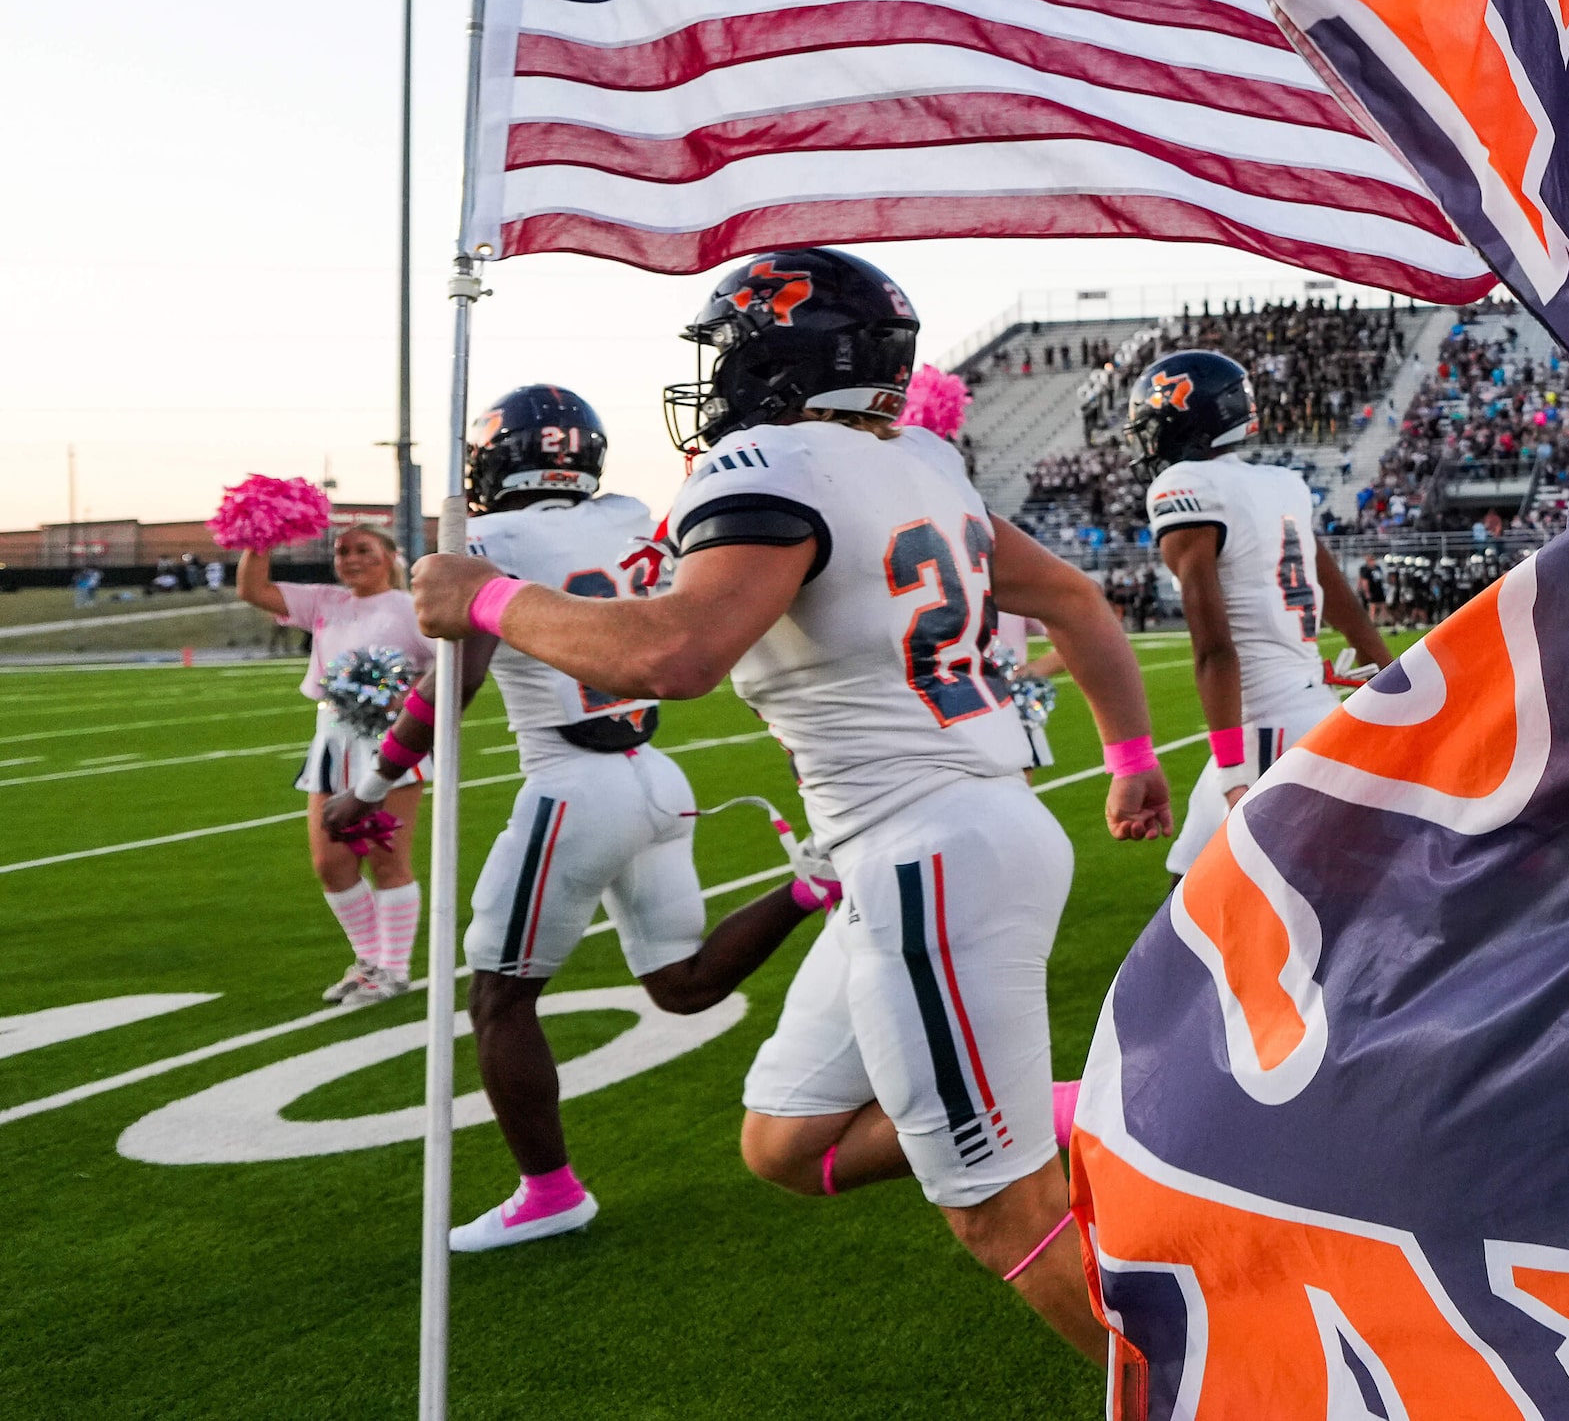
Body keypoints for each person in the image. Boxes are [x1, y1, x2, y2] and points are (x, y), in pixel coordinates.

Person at [413, 248, 1170, 1360]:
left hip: (925, 849)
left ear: (777, 355)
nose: (716, 376)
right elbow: (1070, 599)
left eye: (730, 349)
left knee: (998, 1205)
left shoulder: (763, 463)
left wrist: (482, 595)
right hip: (938, 836)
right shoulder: (922, 460)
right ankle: (1079, 1111)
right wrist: (1130, 752)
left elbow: (676, 653)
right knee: (788, 1141)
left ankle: (1204, 1388)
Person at [329, 384, 835, 1253]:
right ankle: (809, 890)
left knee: (498, 996)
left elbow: (457, 681)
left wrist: (370, 786)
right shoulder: (627, 517)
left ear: (495, 459)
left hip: (572, 781)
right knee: (680, 985)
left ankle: (549, 1192)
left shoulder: (486, 540)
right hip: (656, 774)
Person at [1125, 350, 1394, 886]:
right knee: (1201, 901)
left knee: (1207, 910)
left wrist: (1230, 769)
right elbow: (1329, 584)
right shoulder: (1282, 483)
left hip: (1263, 729)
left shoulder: (1184, 486)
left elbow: (1214, 647)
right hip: (1310, 707)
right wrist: (1382, 659)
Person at [236, 523, 431, 1004]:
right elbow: (253, 589)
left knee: (388, 859)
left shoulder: (409, 609)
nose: (351, 559)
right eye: (342, 551)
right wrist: (259, 536)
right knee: (331, 863)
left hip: (391, 744)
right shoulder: (325, 601)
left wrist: (401, 701)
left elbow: (441, 671)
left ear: (389, 557)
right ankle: (367, 961)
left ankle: (394, 969)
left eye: (364, 550)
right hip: (332, 741)